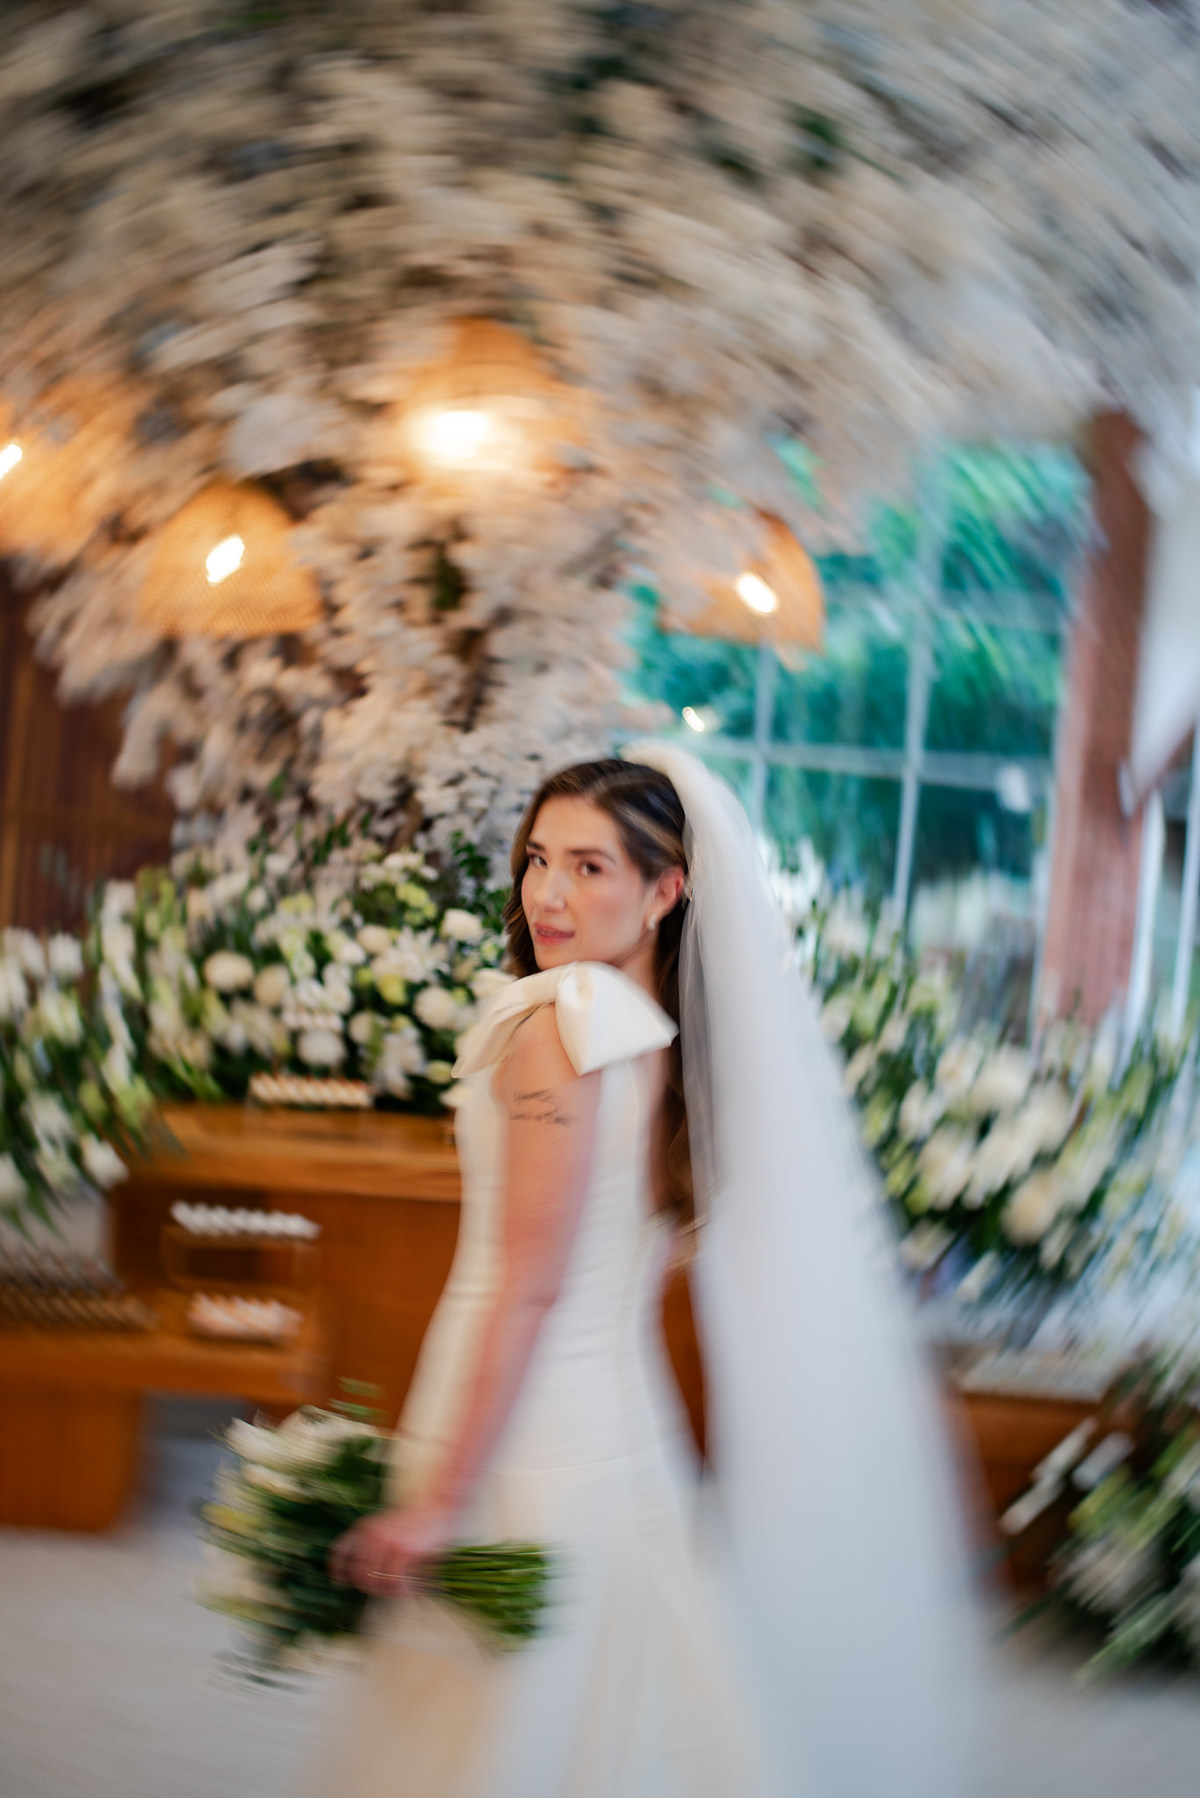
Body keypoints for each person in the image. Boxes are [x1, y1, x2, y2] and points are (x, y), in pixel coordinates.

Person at [318, 746, 977, 1798]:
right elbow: (645, 1244)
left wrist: (440, 1499)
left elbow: (531, 1285)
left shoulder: (559, 1026)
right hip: (625, 1428)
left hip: (533, 1425)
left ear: (665, 891)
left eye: (590, 868)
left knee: (500, 1725)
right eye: (539, 859)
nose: (548, 894)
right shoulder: (662, 1037)